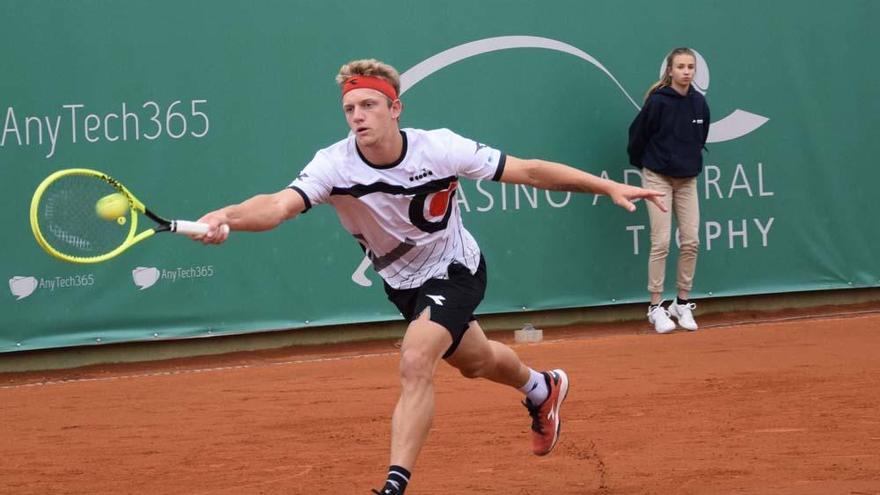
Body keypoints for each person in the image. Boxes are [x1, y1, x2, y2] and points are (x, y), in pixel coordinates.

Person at [192, 58, 666, 495]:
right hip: (402, 283)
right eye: (350, 108)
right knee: (476, 362)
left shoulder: (439, 148)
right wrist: (228, 216)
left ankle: (394, 485)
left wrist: (605, 185)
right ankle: (542, 388)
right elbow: (277, 206)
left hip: (455, 268)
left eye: (369, 105)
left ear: (394, 108)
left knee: (417, 359)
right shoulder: (333, 164)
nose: (358, 116)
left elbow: (531, 170)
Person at [627, 47, 711, 334]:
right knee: (661, 242)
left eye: (690, 67)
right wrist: (649, 166)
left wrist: (686, 163)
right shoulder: (658, 103)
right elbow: (637, 136)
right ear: (670, 71)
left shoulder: (700, 104)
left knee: (691, 241)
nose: (686, 71)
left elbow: (700, 138)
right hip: (657, 178)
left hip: (687, 179)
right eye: (681, 66)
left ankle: (682, 303)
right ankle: (655, 308)